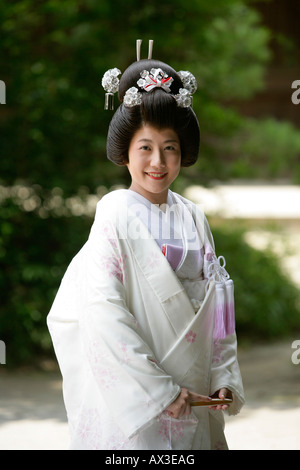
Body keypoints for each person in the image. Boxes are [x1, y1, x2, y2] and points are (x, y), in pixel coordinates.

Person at [47, 41, 245, 450]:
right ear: (125, 153)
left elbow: (219, 307)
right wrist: (161, 392)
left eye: (169, 148)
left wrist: (223, 376)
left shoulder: (193, 216)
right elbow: (103, 313)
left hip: (196, 389)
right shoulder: (114, 213)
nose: (158, 161)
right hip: (142, 401)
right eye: (146, 148)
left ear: (182, 153)